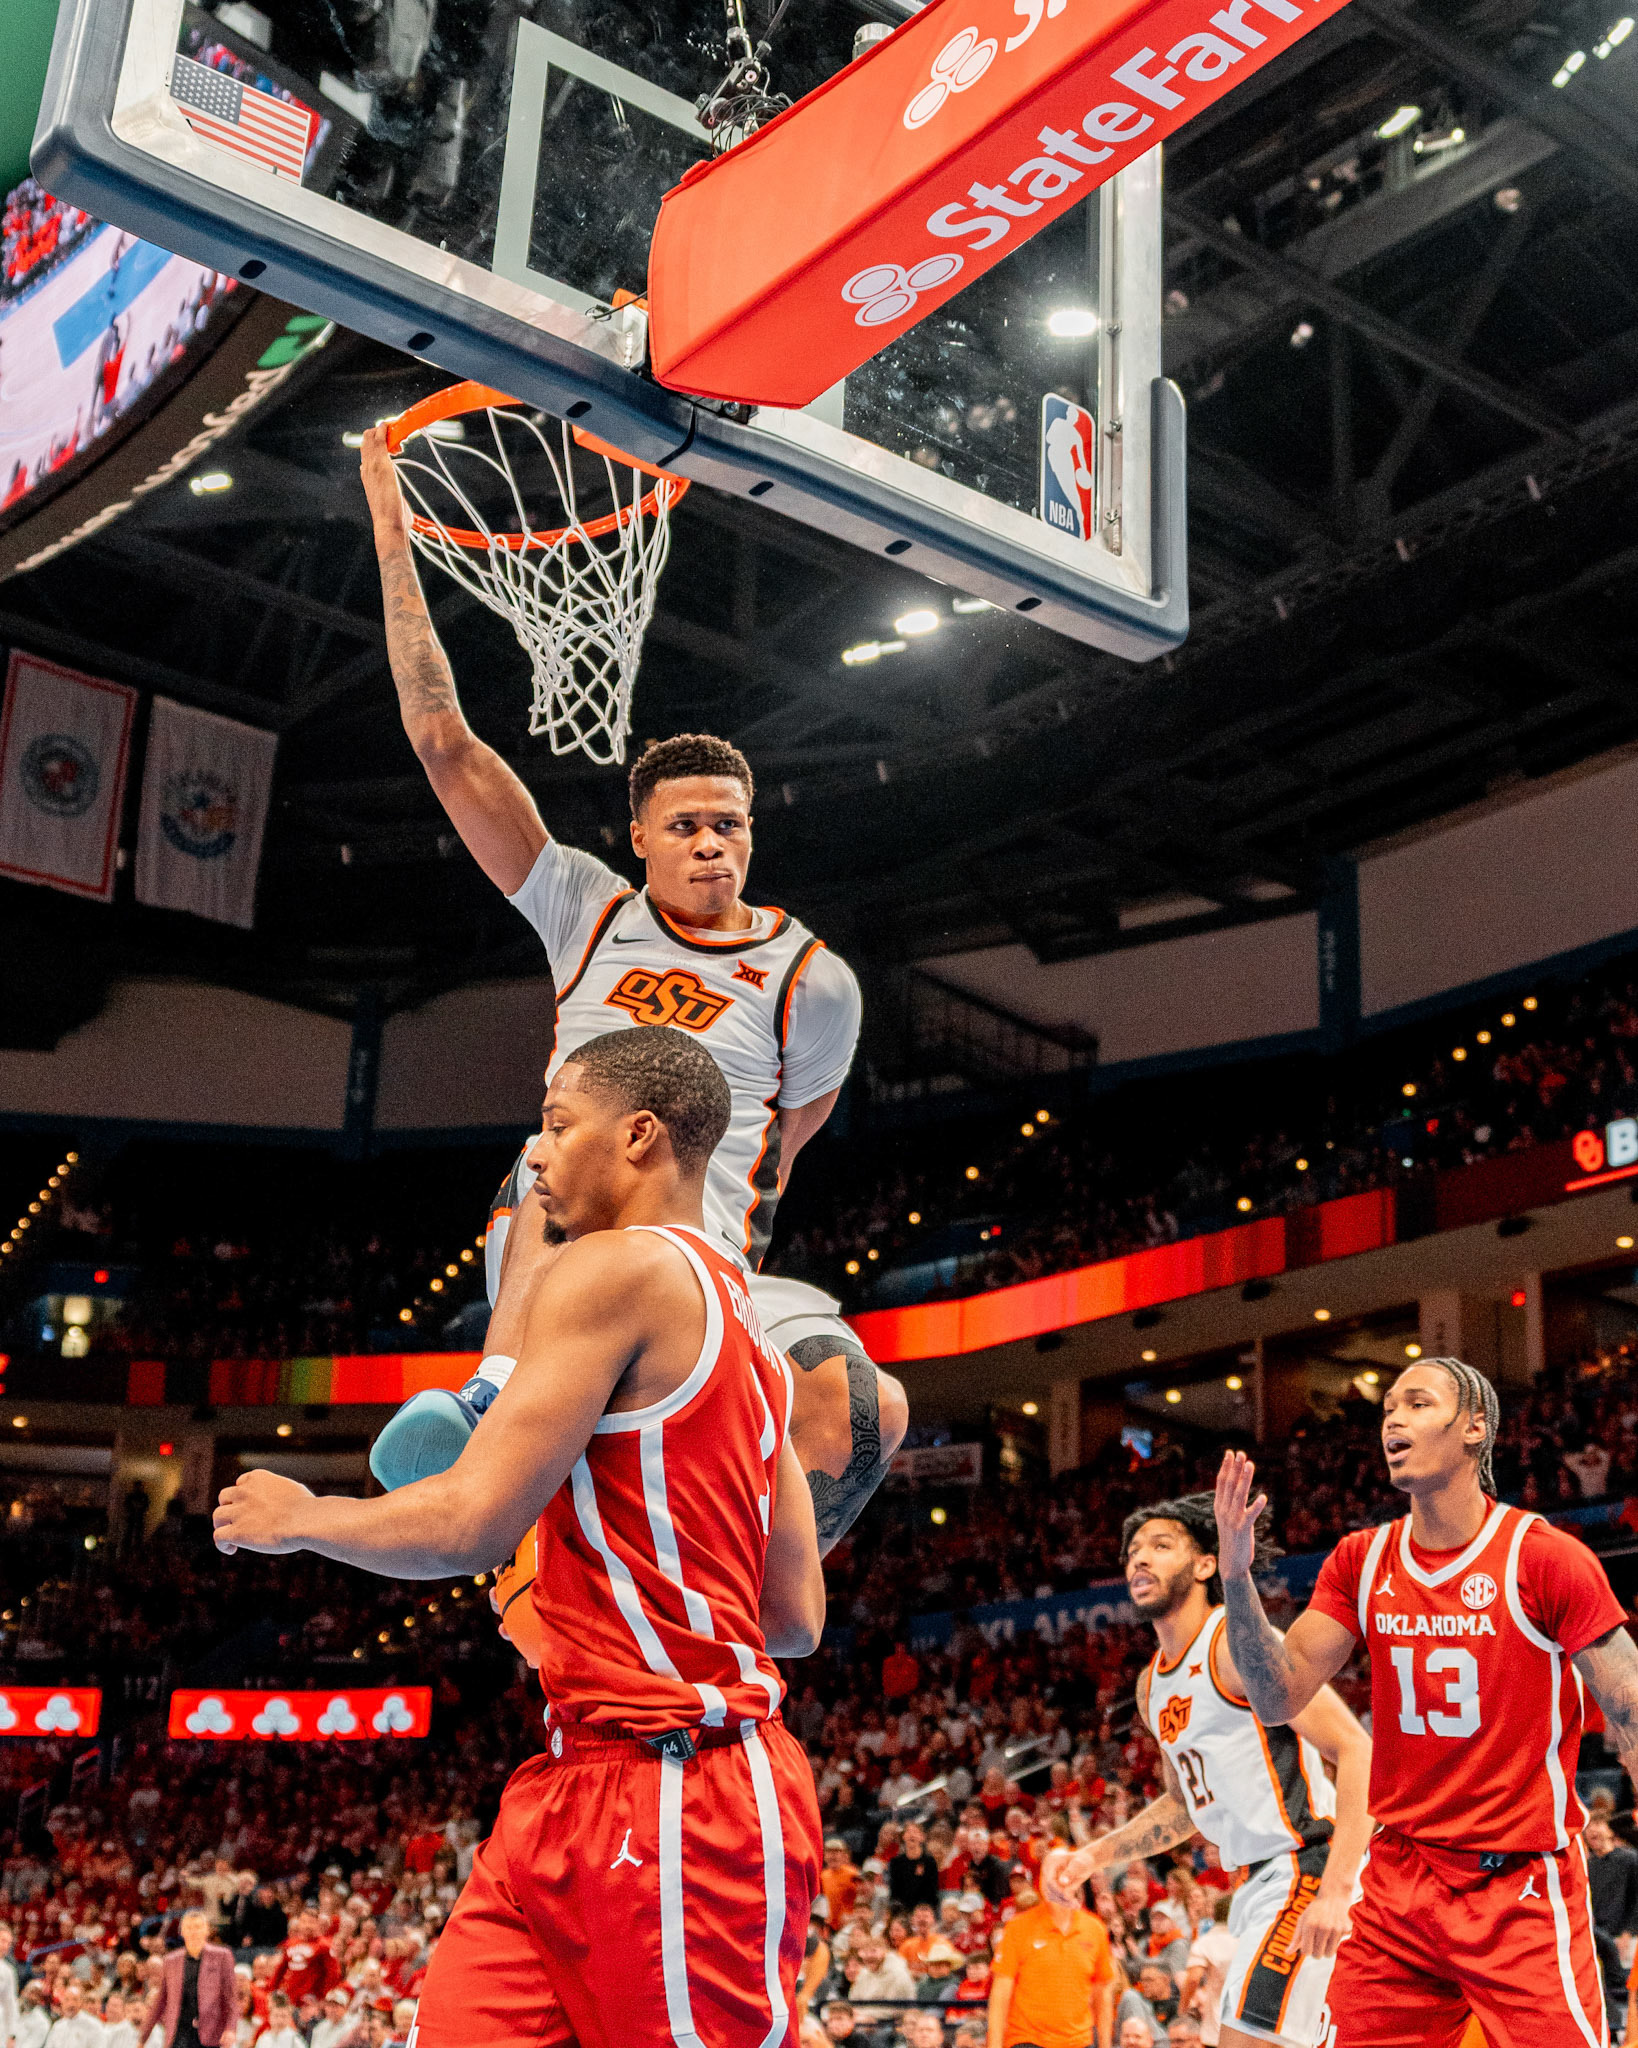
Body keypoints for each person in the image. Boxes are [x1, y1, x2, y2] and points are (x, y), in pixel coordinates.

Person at [212, 1026, 826, 2048]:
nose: (534, 1152)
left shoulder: (612, 1271)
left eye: (554, 1123)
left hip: (679, 1793)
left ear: (638, 1135)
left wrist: (302, 1516)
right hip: (577, 1776)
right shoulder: (757, 1344)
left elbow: (468, 1520)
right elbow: (794, 1617)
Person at [358, 431, 906, 1539]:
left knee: (867, 1407)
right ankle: (494, 1392)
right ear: (640, 837)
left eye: (731, 826)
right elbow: (443, 742)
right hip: (568, 1229)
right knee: (575, 1145)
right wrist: (389, 522)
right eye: (688, 826)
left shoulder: (814, 978)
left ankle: (754, 1554)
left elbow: (787, 1144)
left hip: (705, 1257)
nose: (713, 845)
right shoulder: (589, 907)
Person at [1216, 1355, 1638, 2047]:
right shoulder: (1360, 1559)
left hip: (1518, 1888)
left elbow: (1631, 1712)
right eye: (1387, 1409)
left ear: (1475, 1428)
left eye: (1416, 1403)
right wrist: (1237, 1578)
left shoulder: (1544, 1558)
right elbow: (1275, 1694)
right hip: (1400, 1884)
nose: (1394, 1420)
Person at [1062, 1493, 1371, 2048]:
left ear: (1206, 1564)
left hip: (1306, 1867)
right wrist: (1094, 1855)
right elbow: (1185, 1807)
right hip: (1254, 1885)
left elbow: (1356, 1749)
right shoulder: (1151, 1686)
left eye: (1160, 1546)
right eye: (1133, 1552)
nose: (1140, 1560)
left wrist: (1335, 1889)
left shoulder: (1237, 1645)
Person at [988, 1848, 1117, 2048]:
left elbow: (1103, 1994)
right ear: (1041, 1880)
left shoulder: (1095, 1929)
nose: (1060, 1877)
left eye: (1065, 1870)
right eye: (1053, 1871)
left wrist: (1106, 2045)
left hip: (1079, 2041)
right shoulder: (1018, 1927)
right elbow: (1000, 1996)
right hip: (1027, 2039)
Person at [141, 1910, 237, 2048]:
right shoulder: (170, 1960)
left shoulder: (222, 1956)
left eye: (198, 1927)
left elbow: (231, 1998)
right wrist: (143, 2038)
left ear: (207, 1930)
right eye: (189, 1928)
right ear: (182, 1932)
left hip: (211, 2032)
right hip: (179, 2033)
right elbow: (161, 2001)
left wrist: (231, 2029)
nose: (193, 1932)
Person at [1180, 1894, 1237, 2048]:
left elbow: (1193, 1978)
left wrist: (1183, 2007)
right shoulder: (1255, 1940)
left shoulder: (1206, 1942)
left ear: (1213, 1916)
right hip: (1252, 2031)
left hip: (1217, 2031)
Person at [40, 1983, 101, 2048]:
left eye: (75, 2000)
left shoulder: (94, 2025)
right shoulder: (58, 2026)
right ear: (62, 2003)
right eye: (67, 2000)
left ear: (81, 2002)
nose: (71, 2004)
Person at [0, 1924, 19, 2048]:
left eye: (8, 1942)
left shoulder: (8, 1971)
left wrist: (12, 2034)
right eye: (2, 1940)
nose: (5, 1945)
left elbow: (10, 2003)